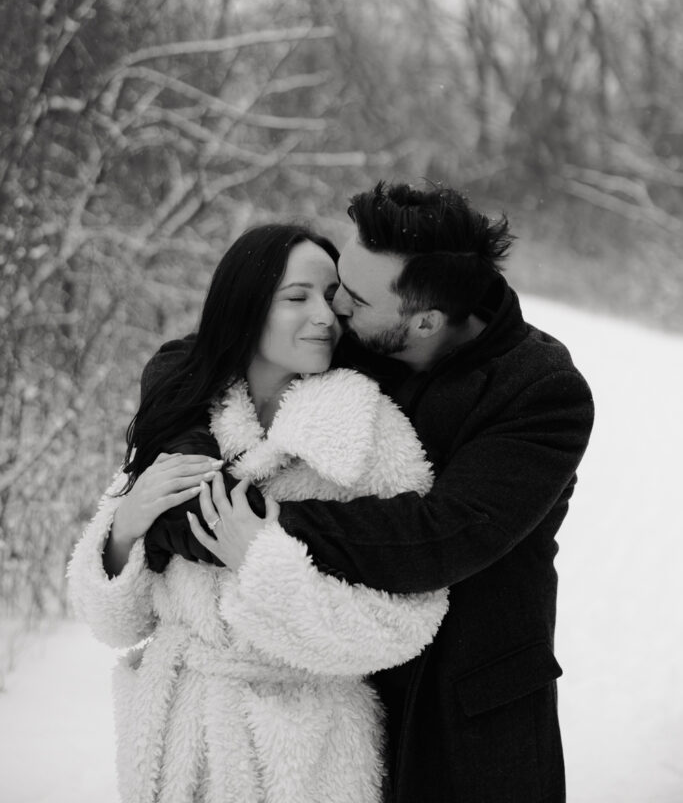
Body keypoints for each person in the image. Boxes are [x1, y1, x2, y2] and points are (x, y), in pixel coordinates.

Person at [149, 183, 595, 803]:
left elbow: (439, 534)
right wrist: (184, 468)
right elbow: (195, 359)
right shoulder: (366, 321)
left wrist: (258, 523)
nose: (333, 309)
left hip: (463, 714)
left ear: (424, 322)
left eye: (351, 297)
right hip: (328, 690)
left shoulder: (541, 392)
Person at [67, 224, 448, 803]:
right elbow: (114, 624)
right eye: (297, 297)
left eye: (332, 297)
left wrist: (264, 563)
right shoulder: (183, 416)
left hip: (307, 751)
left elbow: (409, 621)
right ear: (245, 306)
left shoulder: (368, 432)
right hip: (179, 736)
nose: (324, 315)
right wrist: (126, 527)